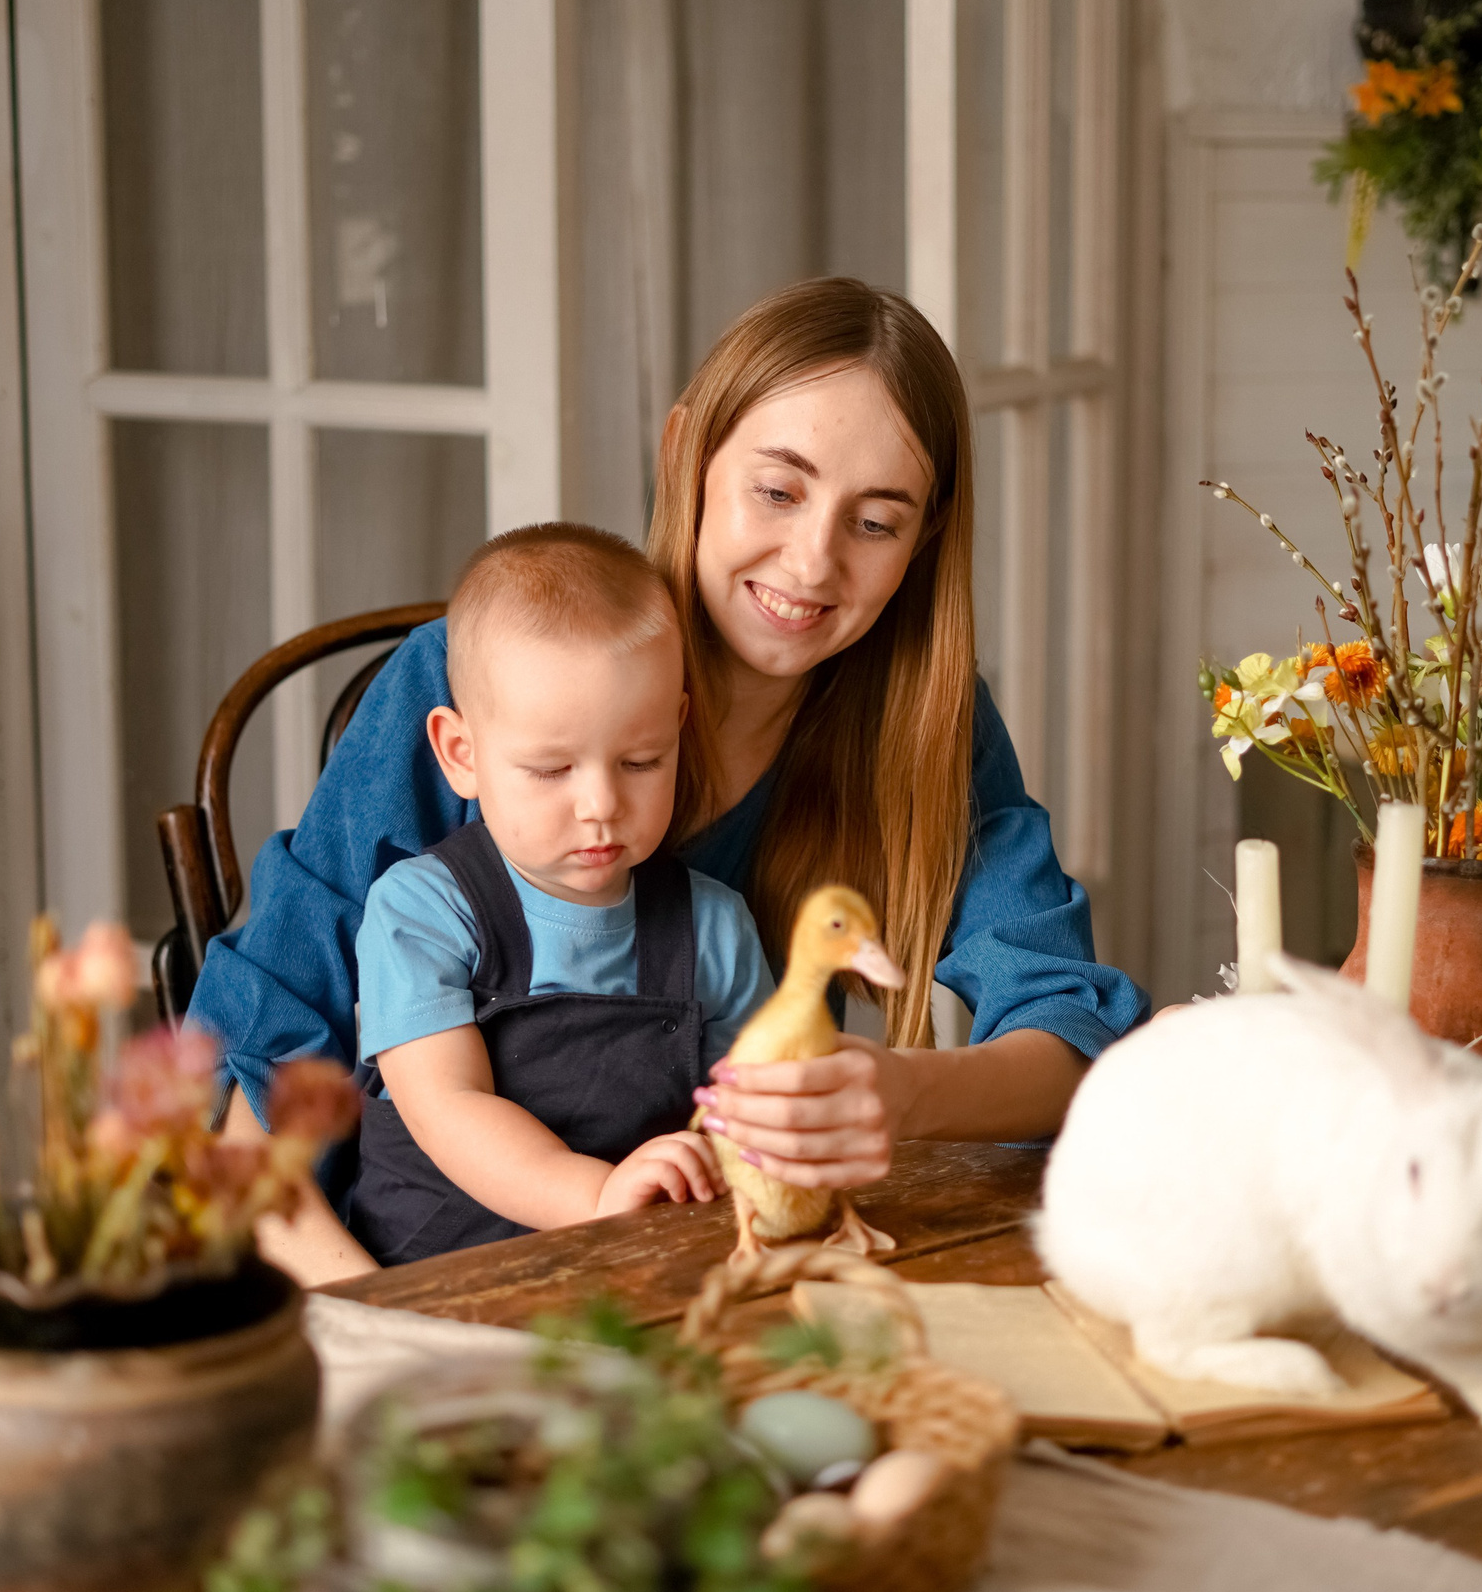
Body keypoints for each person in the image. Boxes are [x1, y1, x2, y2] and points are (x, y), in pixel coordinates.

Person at [201, 276, 1150, 1285]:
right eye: (777, 490)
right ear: (685, 454)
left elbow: (1067, 1031)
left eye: (876, 522)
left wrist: (902, 1091)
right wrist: (381, 1326)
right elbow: (255, 1082)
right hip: (395, 1277)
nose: (812, 562)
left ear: (924, 540)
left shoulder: (923, 726)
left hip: (695, 1279)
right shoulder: (464, 682)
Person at [323, 524, 771, 1273]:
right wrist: (598, 1196)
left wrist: (725, 1158)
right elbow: (449, 1107)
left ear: (678, 730)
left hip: (631, 1280)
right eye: (551, 769)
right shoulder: (421, 913)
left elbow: (751, 1112)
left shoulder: (714, 927)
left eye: (641, 760)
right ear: (461, 754)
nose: (601, 805)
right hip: (435, 1284)